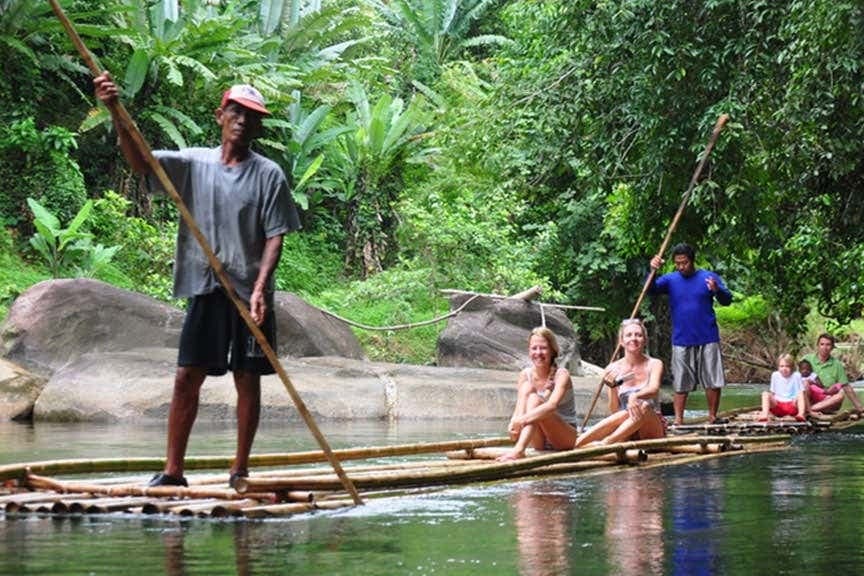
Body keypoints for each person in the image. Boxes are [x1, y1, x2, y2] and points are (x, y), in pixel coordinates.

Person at [94, 73, 301, 487]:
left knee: (247, 378)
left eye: (251, 117)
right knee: (188, 375)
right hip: (207, 287)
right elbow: (141, 162)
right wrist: (116, 112)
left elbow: (276, 234)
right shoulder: (193, 163)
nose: (242, 121)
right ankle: (174, 471)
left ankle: (239, 469)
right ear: (220, 116)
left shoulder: (269, 175)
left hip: (248, 294)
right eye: (236, 112)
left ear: (258, 127)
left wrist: (260, 288)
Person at [649, 243, 732, 425]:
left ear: (692, 261)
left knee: (712, 380)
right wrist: (653, 270)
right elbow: (650, 289)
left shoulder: (708, 277)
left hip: (707, 336)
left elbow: (727, 300)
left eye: (684, 263)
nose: (681, 266)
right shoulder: (670, 280)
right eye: (677, 263)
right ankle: (678, 420)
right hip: (682, 338)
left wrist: (716, 289)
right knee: (680, 381)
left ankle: (712, 416)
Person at [575, 319, 666, 446]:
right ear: (621, 341)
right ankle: (576, 443)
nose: (633, 338)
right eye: (628, 335)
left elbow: (654, 389)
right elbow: (614, 411)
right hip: (626, 429)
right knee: (625, 414)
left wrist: (635, 396)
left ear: (644, 340)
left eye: (638, 335)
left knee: (643, 406)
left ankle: (607, 442)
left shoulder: (654, 364)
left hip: (651, 429)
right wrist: (612, 387)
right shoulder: (612, 368)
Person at [496, 327, 579, 461]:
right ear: (529, 351)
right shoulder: (525, 375)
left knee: (534, 400)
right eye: (534, 348)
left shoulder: (561, 375)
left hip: (564, 439)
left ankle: (519, 450)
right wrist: (513, 424)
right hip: (538, 440)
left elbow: (551, 407)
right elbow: (519, 408)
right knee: (527, 388)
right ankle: (519, 445)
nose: (538, 352)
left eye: (543, 348)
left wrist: (520, 421)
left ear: (553, 351)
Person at [802, 333, 864, 415]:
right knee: (804, 383)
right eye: (822, 344)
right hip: (809, 398)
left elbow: (846, 386)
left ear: (832, 347)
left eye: (828, 345)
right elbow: (795, 379)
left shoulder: (837, 364)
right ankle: (807, 408)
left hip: (827, 400)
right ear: (818, 346)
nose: (825, 348)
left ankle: (810, 409)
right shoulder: (807, 359)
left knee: (841, 394)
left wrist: (859, 407)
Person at [758, 353, 807, 422]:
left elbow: (802, 393)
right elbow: (772, 393)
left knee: (801, 394)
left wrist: (809, 410)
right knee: (765, 394)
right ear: (778, 367)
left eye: (787, 366)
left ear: (792, 367)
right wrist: (768, 405)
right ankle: (765, 415)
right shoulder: (775, 375)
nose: (784, 369)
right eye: (781, 366)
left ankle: (801, 414)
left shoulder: (796, 375)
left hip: (792, 405)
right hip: (778, 405)